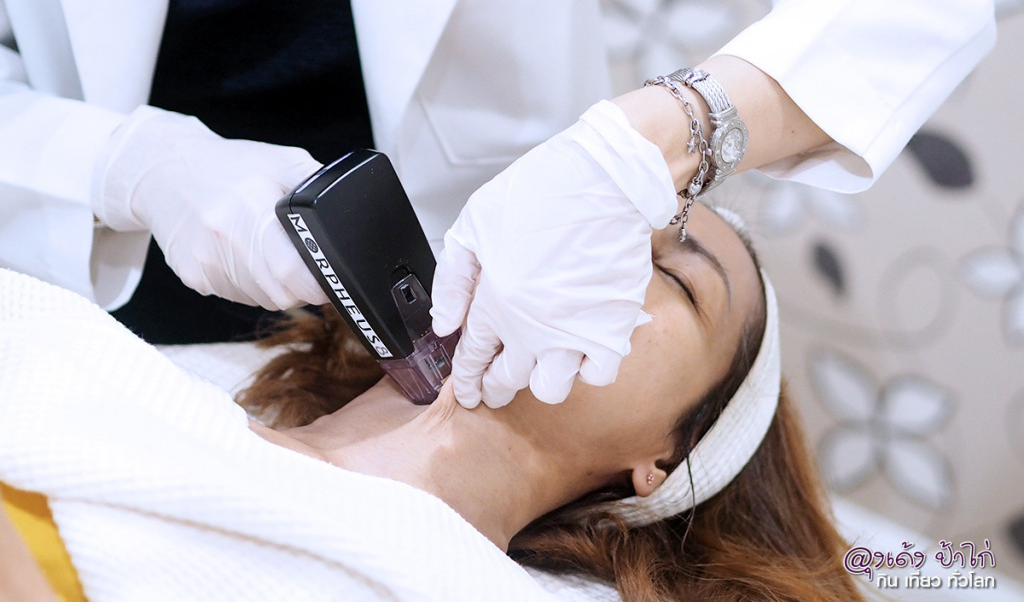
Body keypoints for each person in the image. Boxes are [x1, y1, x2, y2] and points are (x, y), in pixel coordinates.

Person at [0, 0, 995, 397]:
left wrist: (647, 147)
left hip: (440, 312)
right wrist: (128, 164)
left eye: (675, 271)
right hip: (64, 286)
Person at [0, 204, 865, 600]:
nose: (606, 252)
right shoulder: (107, 361)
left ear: (663, 460)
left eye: (677, 277)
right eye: (603, 219)